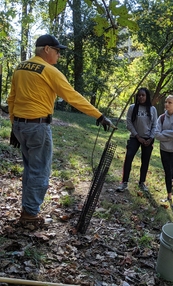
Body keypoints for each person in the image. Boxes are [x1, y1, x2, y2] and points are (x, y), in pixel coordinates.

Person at [7, 34, 115, 224]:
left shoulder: (20, 67)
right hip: (37, 127)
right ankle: (30, 215)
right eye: (57, 51)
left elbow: (12, 99)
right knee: (39, 171)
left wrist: (13, 126)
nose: (59, 55)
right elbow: (72, 97)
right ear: (46, 49)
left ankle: (27, 209)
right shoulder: (49, 71)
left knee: (30, 168)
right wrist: (99, 115)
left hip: (20, 126)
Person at [116, 88, 157, 192]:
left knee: (145, 160)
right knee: (129, 157)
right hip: (135, 137)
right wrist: (138, 136)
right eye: (139, 95)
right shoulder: (132, 107)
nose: (141, 97)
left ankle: (142, 182)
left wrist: (151, 138)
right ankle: (124, 182)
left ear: (147, 96)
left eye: (143, 95)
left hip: (148, 139)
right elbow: (129, 123)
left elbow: (155, 125)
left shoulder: (152, 109)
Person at [154, 95, 173, 208]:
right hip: (164, 150)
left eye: (170, 102)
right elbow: (156, 134)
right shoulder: (161, 118)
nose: (166, 104)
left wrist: (164, 134)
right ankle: (169, 196)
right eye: (166, 102)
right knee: (167, 173)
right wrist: (170, 135)